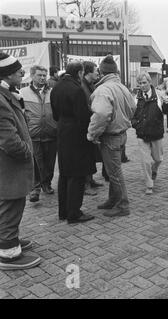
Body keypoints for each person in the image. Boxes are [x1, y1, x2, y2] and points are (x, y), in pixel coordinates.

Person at [0, 53, 41, 270]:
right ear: (6, 75)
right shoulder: (1, 100)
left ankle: (10, 240)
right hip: (9, 167)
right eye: (18, 72)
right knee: (11, 205)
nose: (22, 74)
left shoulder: (8, 94)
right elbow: (8, 140)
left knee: (13, 205)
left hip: (11, 167)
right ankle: (8, 255)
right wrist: (27, 151)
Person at [87, 55, 136, 217]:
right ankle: (113, 199)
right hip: (121, 134)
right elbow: (132, 107)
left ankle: (123, 205)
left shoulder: (103, 89)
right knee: (114, 170)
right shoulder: (122, 87)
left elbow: (101, 113)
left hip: (111, 136)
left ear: (101, 72)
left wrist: (92, 134)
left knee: (114, 173)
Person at [51, 62, 96, 224]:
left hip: (62, 132)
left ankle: (63, 211)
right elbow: (83, 117)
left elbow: (55, 114)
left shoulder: (56, 87)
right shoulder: (76, 90)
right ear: (79, 73)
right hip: (76, 135)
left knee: (64, 174)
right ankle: (74, 213)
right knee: (77, 175)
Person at [132, 72, 168, 194]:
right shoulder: (135, 98)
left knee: (158, 159)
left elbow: (167, 111)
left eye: (144, 82)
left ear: (150, 82)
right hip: (142, 134)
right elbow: (132, 115)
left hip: (156, 133)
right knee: (145, 161)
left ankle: (154, 170)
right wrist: (136, 125)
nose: (142, 85)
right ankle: (149, 185)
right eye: (140, 83)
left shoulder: (159, 96)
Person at [20, 65, 57, 202]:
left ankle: (46, 184)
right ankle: (35, 188)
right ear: (32, 76)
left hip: (51, 132)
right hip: (33, 134)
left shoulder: (52, 92)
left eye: (44, 75)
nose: (42, 78)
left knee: (50, 161)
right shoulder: (23, 92)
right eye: (39, 75)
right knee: (36, 162)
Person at [80, 61, 103, 196]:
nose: (98, 74)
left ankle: (90, 179)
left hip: (91, 123)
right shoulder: (83, 87)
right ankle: (86, 184)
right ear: (88, 72)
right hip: (86, 125)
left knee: (91, 154)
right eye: (96, 71)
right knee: (86, 156)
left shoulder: (90, 85)